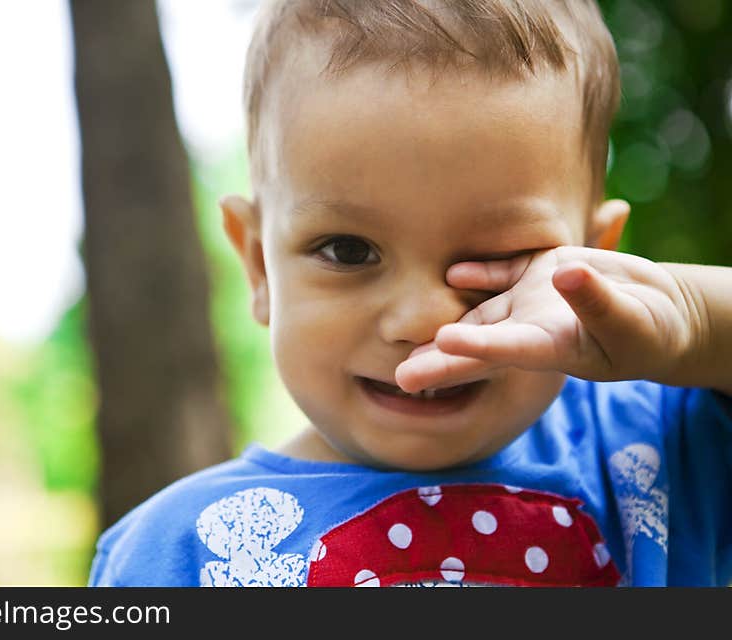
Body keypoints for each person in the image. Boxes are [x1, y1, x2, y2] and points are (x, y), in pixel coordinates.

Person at [88, 0, 732, 587]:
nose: (423, 320)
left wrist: (697, 321)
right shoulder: (177, 552)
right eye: (347, 250)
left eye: (499, 259)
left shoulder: (657, 451)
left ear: (600, 255)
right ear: (259, 266)